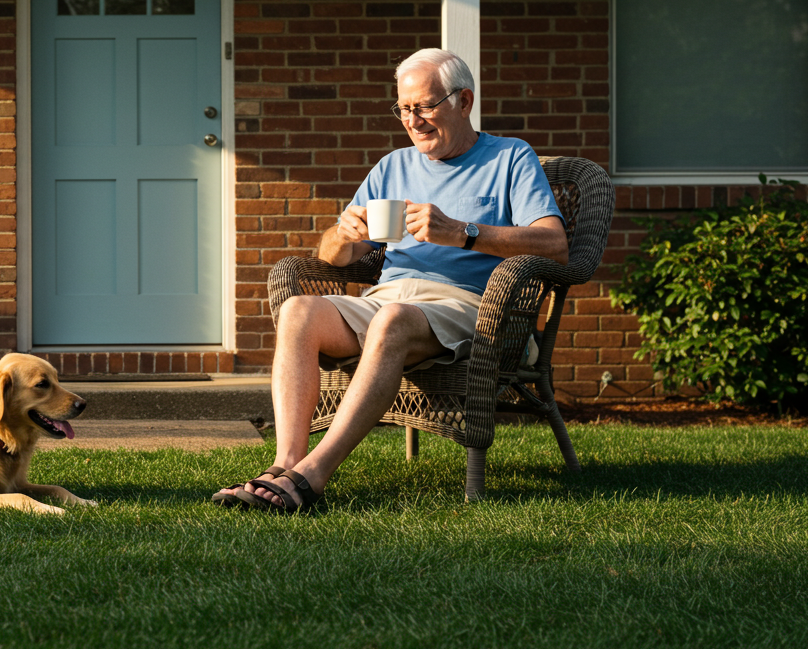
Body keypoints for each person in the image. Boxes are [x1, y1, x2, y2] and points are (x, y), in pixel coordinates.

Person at [212, 48, 569, 513]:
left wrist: (463, 232)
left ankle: (311, 478)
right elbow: (335, 257)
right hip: (387, 298)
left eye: (425, 106)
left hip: (469, 306)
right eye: (403, 108)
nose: (413, 121)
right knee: (298, 310)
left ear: (464, 101)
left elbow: (555, 244)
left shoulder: (510, 158)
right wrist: (342, 236)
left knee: (393, 319)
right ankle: (284, 466)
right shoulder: (392, 166)